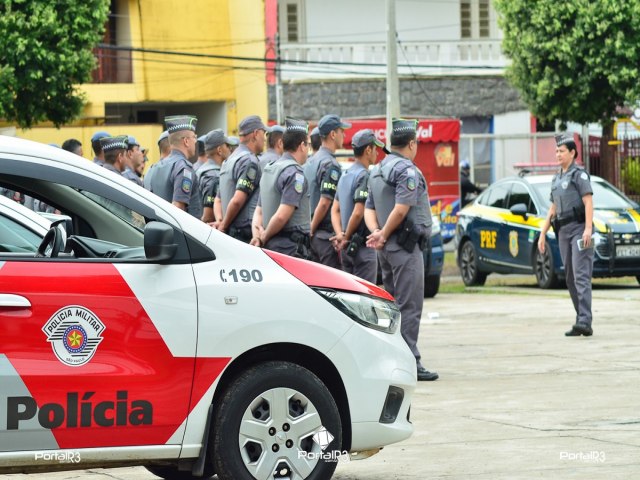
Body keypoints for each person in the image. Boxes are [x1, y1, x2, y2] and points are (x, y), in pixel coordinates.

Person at [365, 118, 438, 382]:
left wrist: (377, 233)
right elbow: (401, 208)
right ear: (411, 143)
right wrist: (383, 233)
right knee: (409, 305)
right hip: (405, 249)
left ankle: (392, 360)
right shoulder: (407, 170)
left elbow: (369, 209)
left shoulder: (377, 169)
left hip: (386, 249)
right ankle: (410, 362)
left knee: (392, 305)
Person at [538, 133, 594, 337]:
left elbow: (588, 201)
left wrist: (588, 228)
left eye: (561, 151)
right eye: (556, 151)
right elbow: (552, 208)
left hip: (580, 229)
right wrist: (543, 233)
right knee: (569, 277)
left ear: (572, 153)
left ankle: (585, 320)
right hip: (563, 231)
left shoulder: (579, 175)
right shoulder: (556, 178)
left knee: (581, 275)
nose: (558, 154)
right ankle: (581, 318)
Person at [250, 117, 311, 258]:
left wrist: (257, 237)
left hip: (271, 247)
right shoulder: (295, 173)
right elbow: (282, 215)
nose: (308, 149)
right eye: (307, 145)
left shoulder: (269, 169)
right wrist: (263, 237)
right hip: (290, 250)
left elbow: (258, 212)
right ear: (302, 145)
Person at [331, 129, 383, 283]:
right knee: (365, 300)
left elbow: (335, 210)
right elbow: (359, 212)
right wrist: (346, 237)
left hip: (347, 249)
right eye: (375, 149)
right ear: (368, 150)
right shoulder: (364, 176)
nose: (377, 153)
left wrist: (340, 234)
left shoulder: (345, 175)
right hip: (362, 248)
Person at [304, 114, 351, 269]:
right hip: (324, 236)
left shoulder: (310, 162)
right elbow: (325, 202)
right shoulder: (330, 164)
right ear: (332, 134)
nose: (344, 135)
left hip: (313, 236)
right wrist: (311, 229)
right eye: (341, 131)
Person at [217, 115, 265, 242]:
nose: (264, 139)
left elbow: (219, 199)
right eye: (263, 133)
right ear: (255, 134)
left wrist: (222, 222)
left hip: (232, 231)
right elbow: (237, 200)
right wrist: (223, 225)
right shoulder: (249, 161)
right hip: (244, 233)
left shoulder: (229, 160)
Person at [149, 115, 203, 218]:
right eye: (194, 137)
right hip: (184, 231)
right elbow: (178, 207)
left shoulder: (156, 167)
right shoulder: (183, 167)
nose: (196, 141)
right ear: (186, 141)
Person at [197, 129, 232, 224]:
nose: (230, 149)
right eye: (227, 146)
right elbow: (209, 216)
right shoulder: (214, 176)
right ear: (219, 150)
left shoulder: (201, 169)